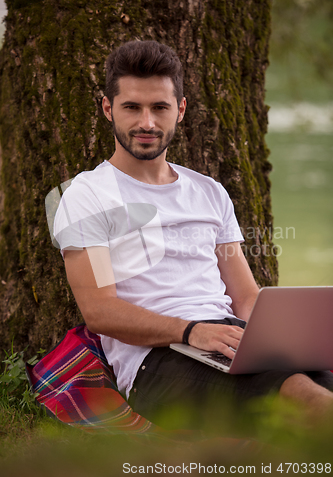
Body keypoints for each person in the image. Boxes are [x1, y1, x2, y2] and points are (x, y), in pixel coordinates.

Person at [54, 40, 333, 430]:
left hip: (228, 339)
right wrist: (191, 331)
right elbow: (100, 312)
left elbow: (247, 299)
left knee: (319, 383)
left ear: (180, 110)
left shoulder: (209, 192)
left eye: (160, 107)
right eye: (132, 107)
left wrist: (293, 338)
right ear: (107, 108)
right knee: (304, 398)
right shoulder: (87, 195)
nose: (146, 123)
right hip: (157, 360)